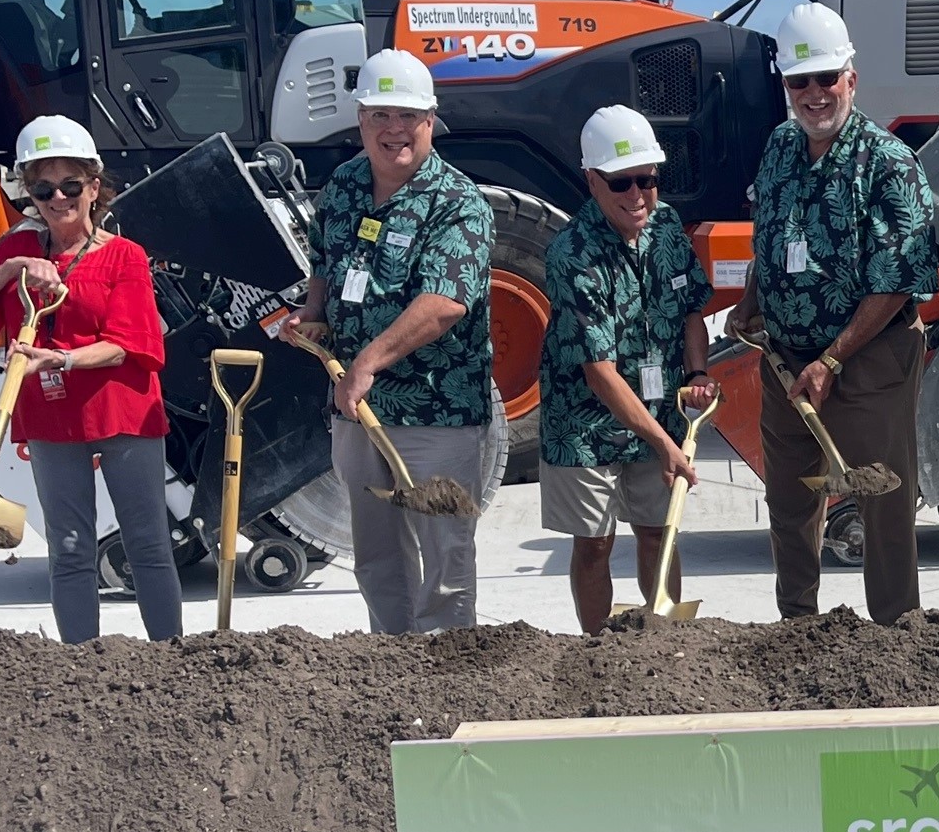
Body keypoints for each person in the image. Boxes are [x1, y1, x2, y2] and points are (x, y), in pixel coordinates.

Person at [728, 2, 938, 624]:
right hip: (785, 361)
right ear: (785, 86)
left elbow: (899, 280)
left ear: (851, 76)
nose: (815, 94)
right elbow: (770, 235)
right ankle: (799, 628)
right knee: (790, 500)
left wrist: (832, 358)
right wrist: (750, 302)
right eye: (800, 82)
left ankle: (896, 634)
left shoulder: (889, 164)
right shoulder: (780, 148)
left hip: (868, 363)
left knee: (882, 501)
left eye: (826, 78)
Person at [0, 115, 181, 642]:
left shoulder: (124, 257)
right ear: (30, 192)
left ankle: (172, 661)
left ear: (94, 188)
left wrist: (62, 361)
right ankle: (82, 666)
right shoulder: (15, 252)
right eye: (43, 188)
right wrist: (10, 268)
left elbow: (130, 344)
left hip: (123, 410)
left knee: (147, 543)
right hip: (51, 418)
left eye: (71, 185)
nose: (58, 198)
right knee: (70, 546)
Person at [284, 49, 493, 634]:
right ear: (360, 120)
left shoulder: (458, 202)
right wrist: (314, 313)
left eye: (407, 116)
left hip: (436, 414)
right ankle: (392, 671)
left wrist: (367, 362)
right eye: (379, 115)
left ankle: (451, 678)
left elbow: (445, 303)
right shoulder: (346, 185)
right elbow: (325, 261)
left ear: (431, 120)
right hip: (359, 412)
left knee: (444, 564)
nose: (393, 129)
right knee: (376, 556)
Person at [538, 106, 715, 631]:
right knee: (594, 542)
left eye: (648, 179)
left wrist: (698, 374)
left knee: (660, 530)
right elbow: (600, 371)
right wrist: (666, 444)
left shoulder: (665, 231)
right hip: (584, 422)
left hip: (657, 408)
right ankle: (597, 653)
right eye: (621, 182)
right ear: (592, 181)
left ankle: (667, 636)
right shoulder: (572, 254)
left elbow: (691, 313)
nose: (637, 194)